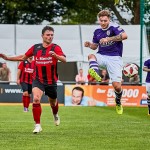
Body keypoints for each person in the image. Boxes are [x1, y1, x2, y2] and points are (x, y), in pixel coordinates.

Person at [0, 26, 66, 133]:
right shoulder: (36, 48)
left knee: (53, 102)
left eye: (52, 35)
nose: (50, 37)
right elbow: (23, 57)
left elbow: (64, 59)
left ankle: (55, 114)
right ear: (42, 36)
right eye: (48, 35)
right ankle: (37, 125)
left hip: (51, 81)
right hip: (38, 79)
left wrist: (56, 56)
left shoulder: (55, 48)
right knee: (35, 99)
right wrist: (8, 58)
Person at [84, 10, 128, 114]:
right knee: (91, 56)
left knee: (117, 86)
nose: (103, 23)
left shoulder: (114, 27)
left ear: (109, 20)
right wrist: (89, 44)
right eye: (101, 20)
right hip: (102, 55)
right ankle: (94, 71)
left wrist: (109, 38)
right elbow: (94, 47)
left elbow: (125, 36)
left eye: (105, 20)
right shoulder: (97, 31)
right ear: (99, 20)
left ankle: (118, 102)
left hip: (115, 58)